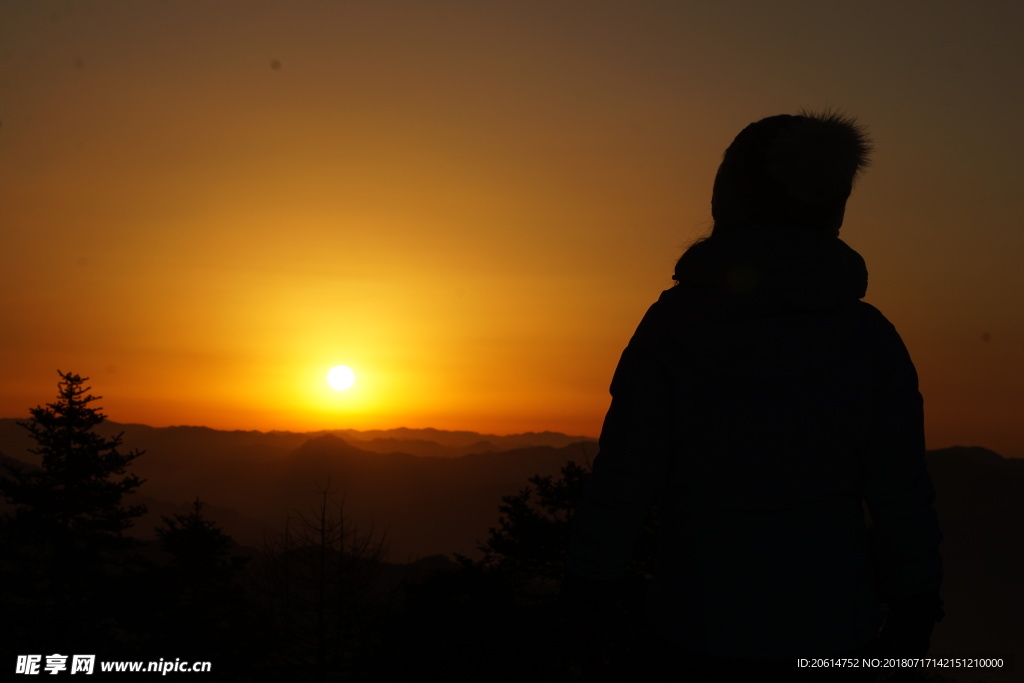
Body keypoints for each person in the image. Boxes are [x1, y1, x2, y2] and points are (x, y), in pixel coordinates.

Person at [565, 111, 944, 681]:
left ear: (729, 197)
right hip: (833, 625)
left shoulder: (674, 326)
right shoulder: (868, 338)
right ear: (833, 205)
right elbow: (901, 490)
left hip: (694, 624)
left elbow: (625, 476)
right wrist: (915, 602)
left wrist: (591, 592)